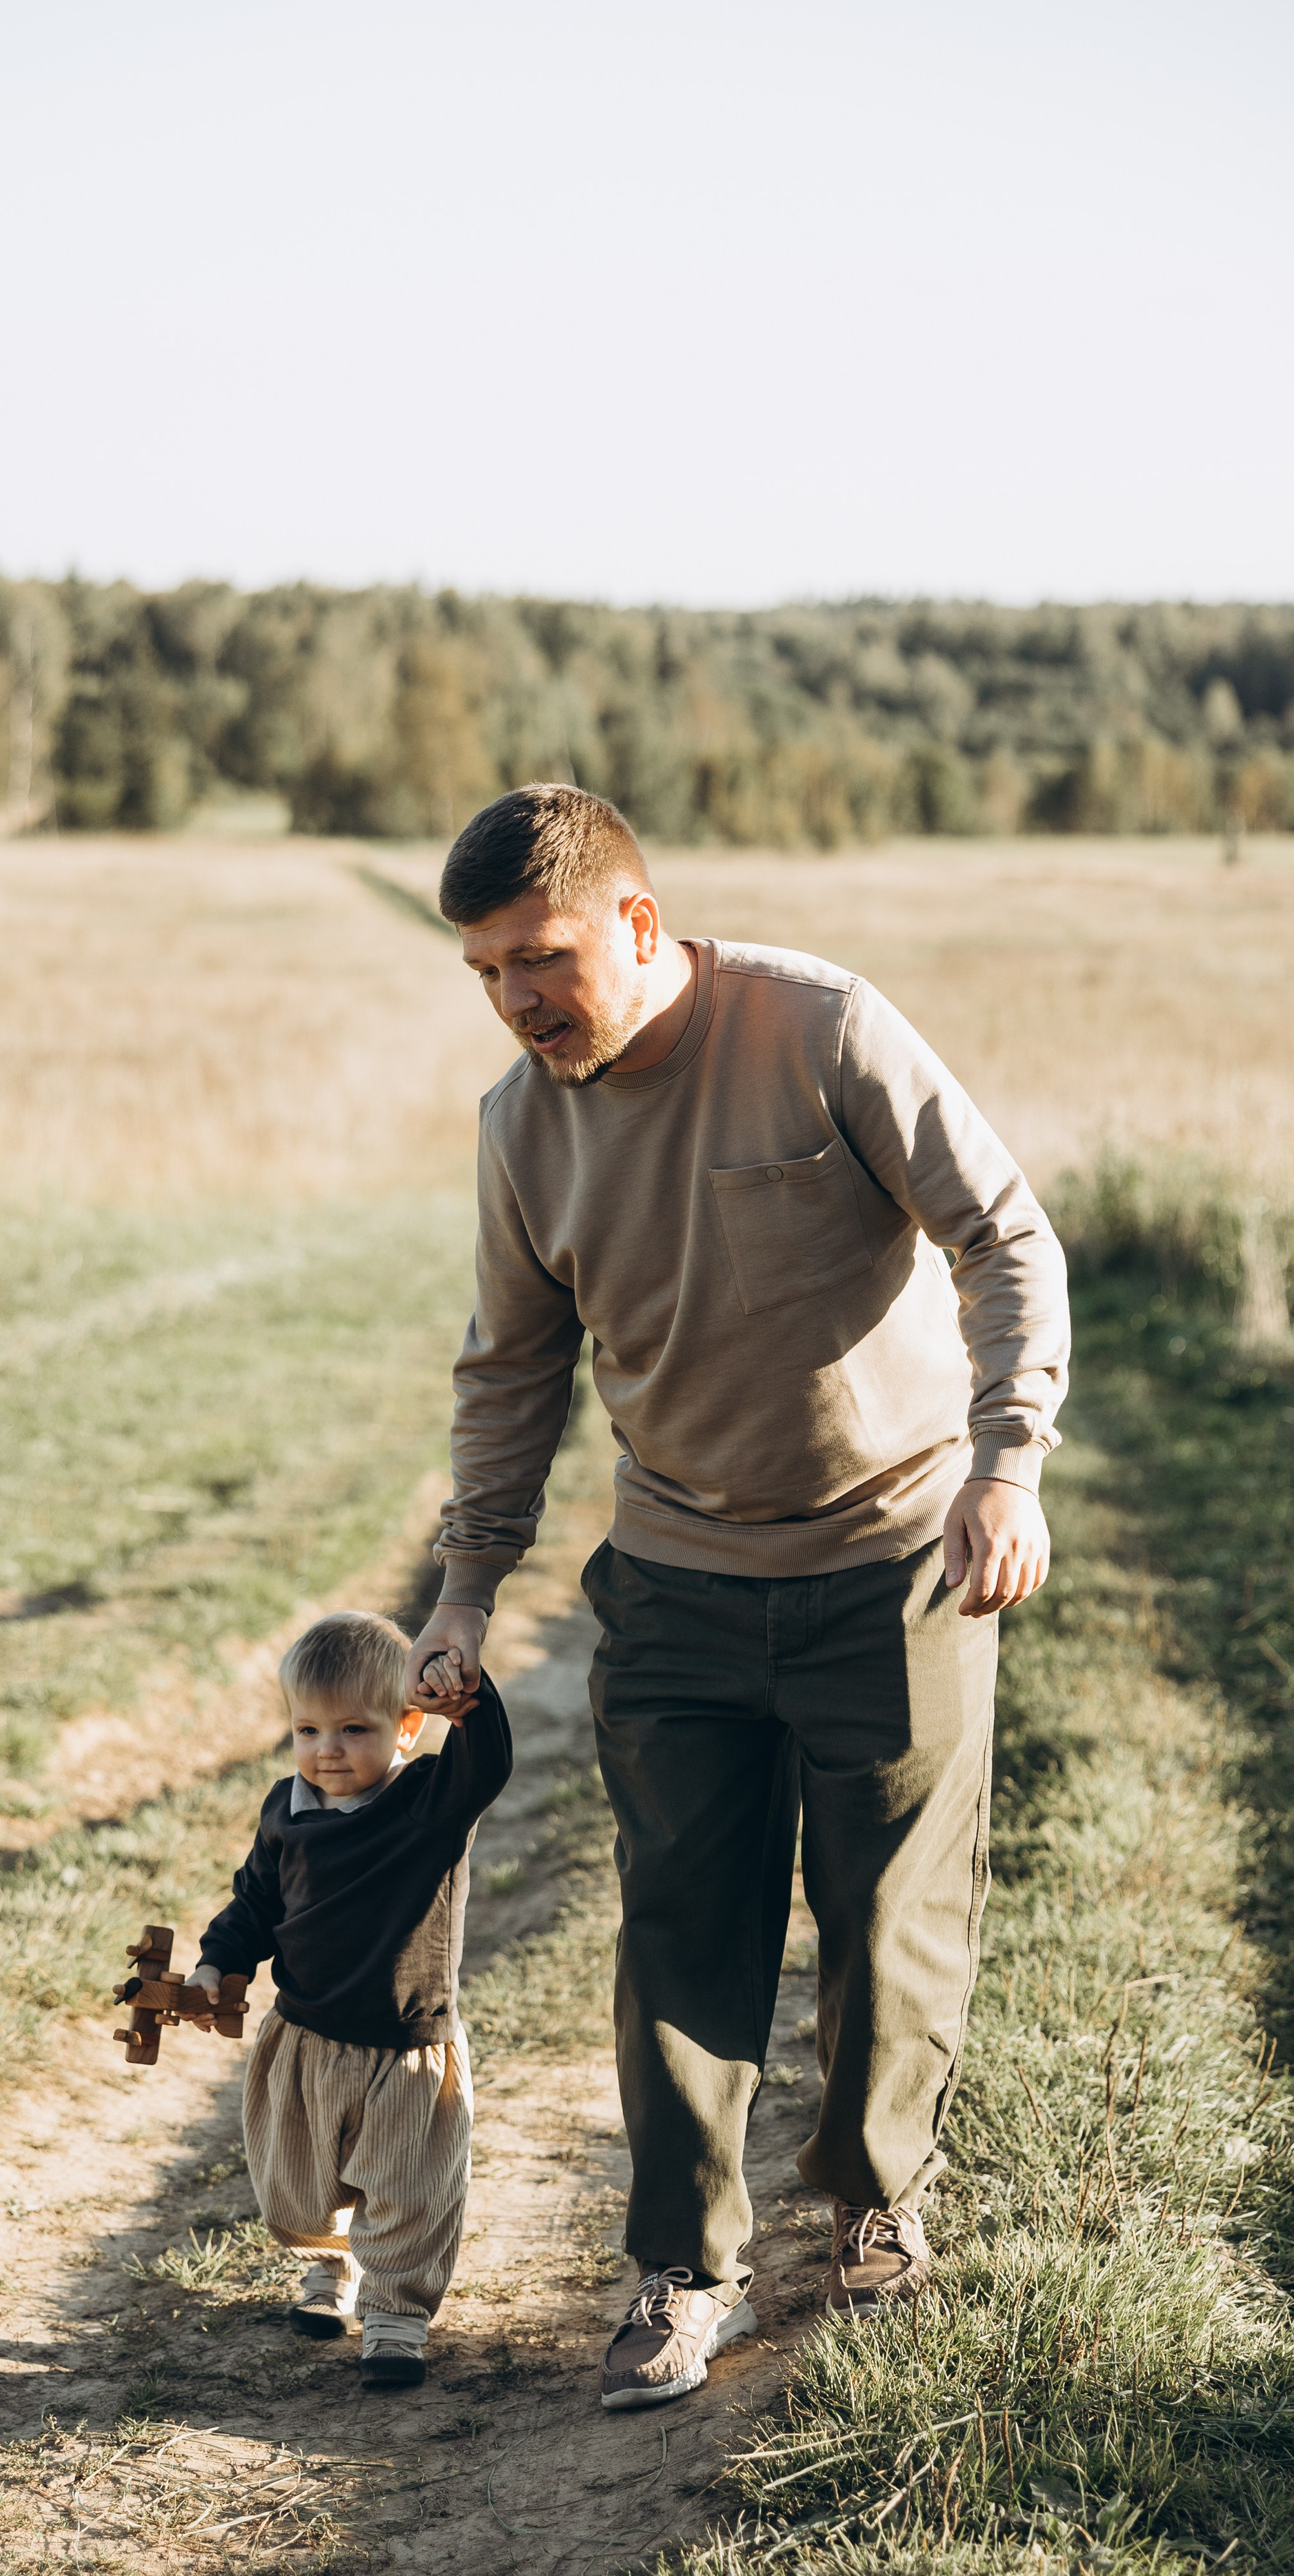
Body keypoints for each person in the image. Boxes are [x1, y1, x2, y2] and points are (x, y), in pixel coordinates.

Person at [406, 785, 1069, 2414]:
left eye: (541, 956)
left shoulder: (819, 1028)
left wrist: (1005, 1462)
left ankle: (870, 2201)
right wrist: (464, 1586)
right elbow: (508, 1370)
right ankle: (676, 2267)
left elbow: (1001, 1235)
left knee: (884, 1923)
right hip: (681, 1584)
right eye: (486, 971)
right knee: (681, 1928)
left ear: (637, 923)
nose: (517, 997)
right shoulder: (520, 1124)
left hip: (896, 1558)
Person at [186, 1609, 511, 2389]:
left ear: (407, 1728)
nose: (326, 1751)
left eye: (353, 1731)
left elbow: (489, 1761)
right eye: (307, 1730)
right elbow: (253, 1905)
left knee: (406, 2185)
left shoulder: (431, 1805)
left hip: (406, 2043)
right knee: (297, 2182)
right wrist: (212, 1966)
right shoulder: (285, 1811)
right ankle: (330, 2269)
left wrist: (466, 1697)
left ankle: (398, 2314)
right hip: (304, 2036)